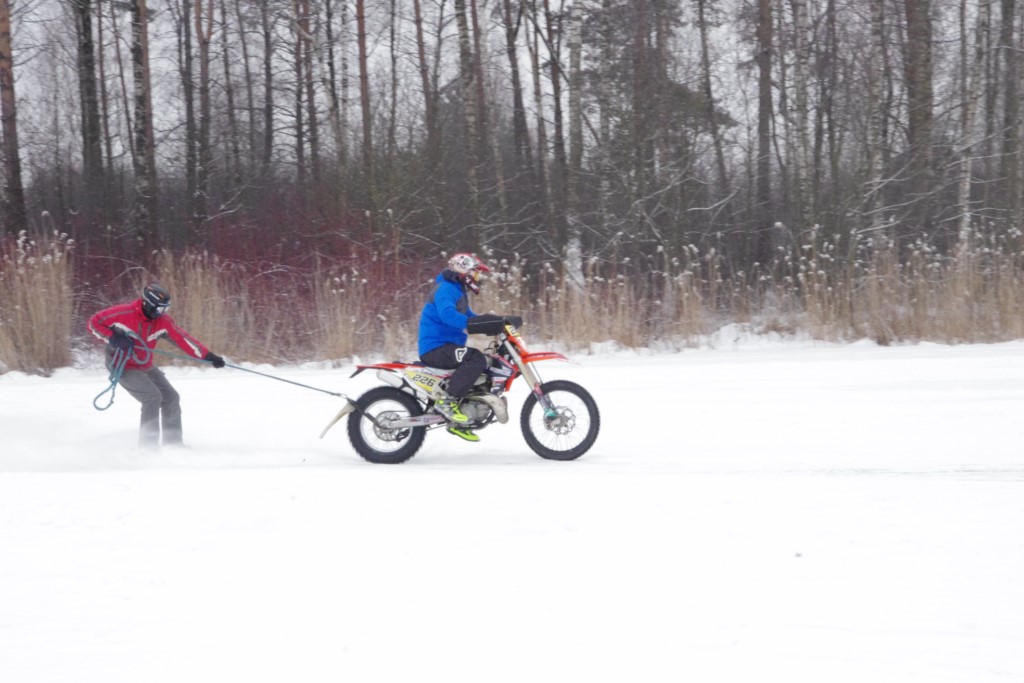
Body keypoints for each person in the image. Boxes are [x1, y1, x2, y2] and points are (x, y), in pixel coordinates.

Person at [88, 284, 226, 448]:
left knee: (171, 398)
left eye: (165, 309)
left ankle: (173, 445)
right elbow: (94, 323)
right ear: (148, 304)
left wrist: (208, 356)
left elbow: (183, 339)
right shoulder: (123, 313)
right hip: (121, 366)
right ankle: (148, 448)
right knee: (152, 398)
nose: (162, 313)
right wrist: (114, 338)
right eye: (160, 309)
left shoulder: (162, 322)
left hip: (144, 364)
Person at [418, 252, 491, 442]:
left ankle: (460, 418)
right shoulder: (445, 289)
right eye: (476, 273)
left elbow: (470, 317)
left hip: (447, 346)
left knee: (484, 364)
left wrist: (494, 323)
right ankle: (447, 402)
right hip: (435, 348)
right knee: (475, 359)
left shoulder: (458, 291)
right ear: (464, 271)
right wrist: (472, 324)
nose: (478, 278)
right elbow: (447, 315)